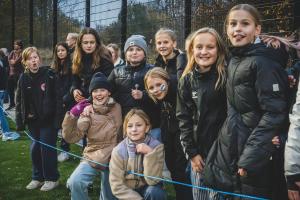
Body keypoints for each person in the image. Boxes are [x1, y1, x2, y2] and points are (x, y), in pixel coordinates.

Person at [203, 4, 289, 198]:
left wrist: (250, 157)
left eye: (245, 24)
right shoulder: (235, 60)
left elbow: (274, 113)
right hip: (233, 147)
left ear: (257, 29)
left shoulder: (264, 63)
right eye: (232, 24)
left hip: (256, 155)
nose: (237, 29)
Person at [176, 27, 227, 199]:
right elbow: (183, 120)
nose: (204, 52)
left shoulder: (226, 76)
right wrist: (192, 153)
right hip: (199, 156)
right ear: (192, 50)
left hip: (224, 154)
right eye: (199, 47)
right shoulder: (186, 81)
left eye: (210, 47)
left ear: (218, 49)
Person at [63, 72, 122, 200]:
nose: (99, 94)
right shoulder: (87, 112)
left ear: (109, 92)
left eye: (102, 90)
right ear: (91, 94)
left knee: (109, 195)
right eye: (95, 91)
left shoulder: (118, 107)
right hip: (93, 155)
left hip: (114, 158)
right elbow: (71, 137)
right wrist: (72, 114)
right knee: (75, 182)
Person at [144, 67, 192, 200]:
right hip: (170, 142)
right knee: (175, 173)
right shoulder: (162, 101)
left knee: (183, 175)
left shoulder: (180, 94)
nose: (156, 90)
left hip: (183, 142)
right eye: (151, 88)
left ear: (168, 81)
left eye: (159, 85)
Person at [16, 47, 59, 191]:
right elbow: (19, 101)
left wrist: (58, 120)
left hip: (48, 120)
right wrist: (20, 121)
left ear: (39, 59)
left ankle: (52, 179)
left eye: (35, 57)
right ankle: (37, 178)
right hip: (33, 121)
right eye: (30, 59)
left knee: (46, 148)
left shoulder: (50, 74)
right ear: (25, 62)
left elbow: (58, 98)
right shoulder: (23, 77)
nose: (33, 61)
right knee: (35, 149)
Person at [107, 35, 161, 140]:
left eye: (139, 49)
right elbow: (105, 90)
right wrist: (88, 104)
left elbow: (161, 94)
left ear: (145, 53)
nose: (134, 52)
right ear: (125, 54)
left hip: (150, 124)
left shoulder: (153, 70)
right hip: (127, 124)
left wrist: (144, 95)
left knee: (151, 153)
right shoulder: (117, 71)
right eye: (130, 50)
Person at [109, 108, 166, 200]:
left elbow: (153, 180)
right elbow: (117, 186)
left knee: (155, 192)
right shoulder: (118, 150)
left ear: (147, 127)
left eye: (139, 125)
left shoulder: (157, 147)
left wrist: (150, 154)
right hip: (127, 191)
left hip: (148, 187)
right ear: (125, 129)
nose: (134, 129)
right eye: (130, 126)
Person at [71, 27, 113, 103]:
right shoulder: (76, 57)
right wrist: (74, 89)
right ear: (80, 44)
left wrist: (89, 100)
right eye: (85, 42)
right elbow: (74, 78)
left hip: (100, 99)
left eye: (92, 42)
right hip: (81, 97)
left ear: (97, 43)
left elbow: (109, 81)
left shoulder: (105, 56)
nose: (89, 45)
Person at [51, 42, 74, 162]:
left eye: (63, 50)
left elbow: (72, 85)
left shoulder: (71, 67)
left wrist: (66, 99)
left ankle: (65, 152)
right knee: (55, 126)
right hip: (55, 102)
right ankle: (53, 150)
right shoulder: (54, 67)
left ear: (67, 51)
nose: (60, 52)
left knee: (65, 127)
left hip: (67, 101)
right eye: (58, 51)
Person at [7, 39, 24, 110]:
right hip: (11, 74)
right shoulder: (12, 52)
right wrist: (12, 61)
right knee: (10, 89)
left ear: (20, 46)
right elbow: (9, 59)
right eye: (14, 44)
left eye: (16, 44)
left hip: (19, 74)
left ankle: (19, 105)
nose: (14, 45)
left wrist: (13, 61)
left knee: (19, 90)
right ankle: (12, 104)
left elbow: (15, 62)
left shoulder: (22, 53)